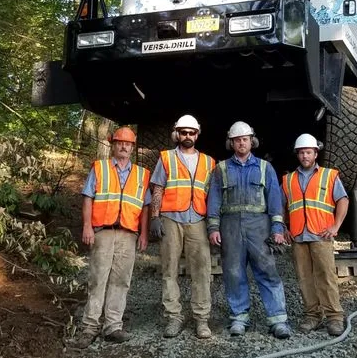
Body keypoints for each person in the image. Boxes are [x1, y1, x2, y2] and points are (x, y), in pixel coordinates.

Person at [207, 121, 291, 339]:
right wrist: (213, 227)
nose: (241, 143)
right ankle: (239, 317)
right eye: (237, 140)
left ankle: (278, 320)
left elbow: (274, 199)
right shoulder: (221, 169)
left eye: (244, 139)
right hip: (230, 226)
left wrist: (277, 228)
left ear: (251, 141)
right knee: (234, 273)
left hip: (259, 227)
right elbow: (214, 199)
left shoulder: (265, 168)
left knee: (268, 270)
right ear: (231, 143)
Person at [80, 126, 150, 344]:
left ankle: (113, 326)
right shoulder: (100, 168)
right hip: (103, 232)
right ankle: (90, 327)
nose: (124, 146)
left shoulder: (141, 174)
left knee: (121, 280)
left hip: (128, 234)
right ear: (113, 144)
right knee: (98, 278)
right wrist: (87, 227)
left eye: (128, 144)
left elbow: (146, 206)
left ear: (132, 147)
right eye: (120, 142)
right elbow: (88, 198)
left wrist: (144, 234)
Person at [149, 114, 215, 340]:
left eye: (191, 132)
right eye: (183, 132)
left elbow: (213, 195)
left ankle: (202, 319)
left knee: (202, 270)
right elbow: (157, 188)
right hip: (171, 219)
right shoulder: (166, 158)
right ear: (177, 134)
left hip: (197, 219)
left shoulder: (208, 162)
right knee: (169, 269)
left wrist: (214, 223)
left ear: (197, 135)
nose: (188, 136)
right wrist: (155, 216)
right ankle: (174, 317)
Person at [282, 133, 349, 336]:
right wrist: (284, 227)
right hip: (298, 236)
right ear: (297, 155)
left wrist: (336, 225)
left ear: (315, 154)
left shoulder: (329, 176)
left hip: (321, 235)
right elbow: (281, 206)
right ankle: (312, 316)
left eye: (308, 152)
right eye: (301, 153)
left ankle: (334, 317)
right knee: (304, 278)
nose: (305, 156)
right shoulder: (288, 179)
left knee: (326, 276)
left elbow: (343, 200)